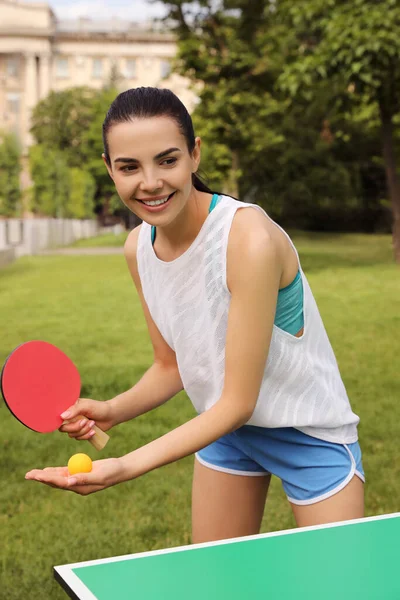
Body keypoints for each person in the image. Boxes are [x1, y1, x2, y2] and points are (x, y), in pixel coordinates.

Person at [25, 87, 364, 541]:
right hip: (225, 433)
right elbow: (171, 366)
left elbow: (238, 402)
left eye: (167, 160)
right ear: (110, 170)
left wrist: (125, 466)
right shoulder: (137, 249)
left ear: (194, 154)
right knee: (215, 586)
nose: (150, 182)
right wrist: (110, 410)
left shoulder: (248, 238)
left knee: (342, 588)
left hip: (308, 433)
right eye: (129, 167)